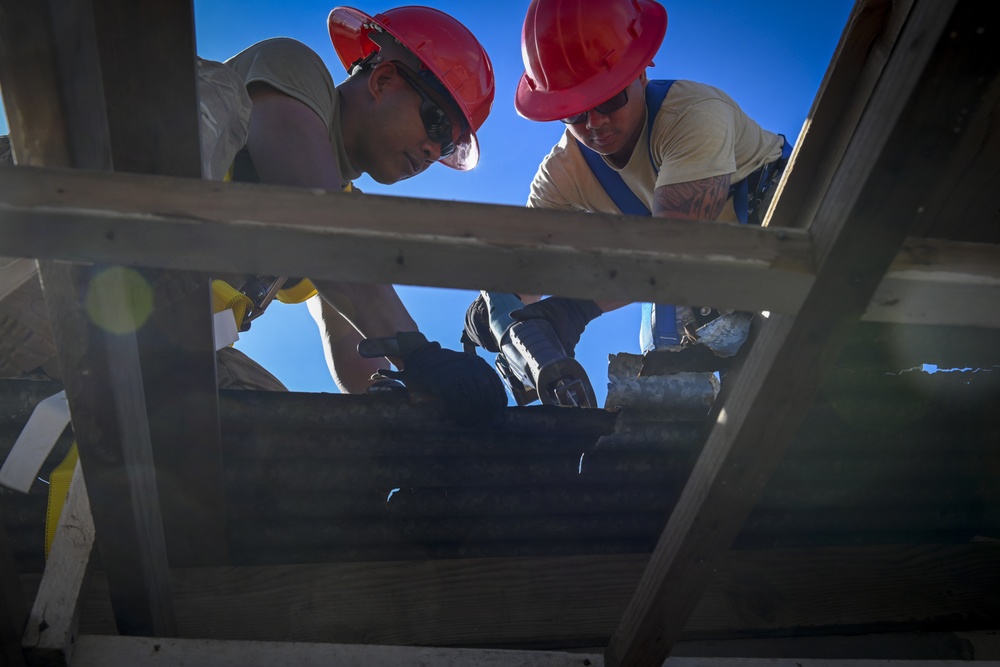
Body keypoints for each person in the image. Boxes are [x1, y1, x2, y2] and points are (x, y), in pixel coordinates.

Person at [0, 5, 506, 425]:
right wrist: (419, 352)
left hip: (137, 329)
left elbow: (360, 348)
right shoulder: (291, 70)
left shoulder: (344, 227)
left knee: (285, 435)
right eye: (437, 121)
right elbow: (312, 219)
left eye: (449, 144)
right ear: (385, 80)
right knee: (215, 95)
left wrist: (421, 400)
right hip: (41, 249)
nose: (433, 147)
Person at [462, 0, 790, 369]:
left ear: (639, 75)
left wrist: (576, 307)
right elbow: (528, 269)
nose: (596, 123)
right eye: (575, 112)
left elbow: (672, 243)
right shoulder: (562, 174)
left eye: (609, 99)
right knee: (657, 383)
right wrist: (500, 311)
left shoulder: (693, 114)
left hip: (787, 235)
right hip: (699, 286)